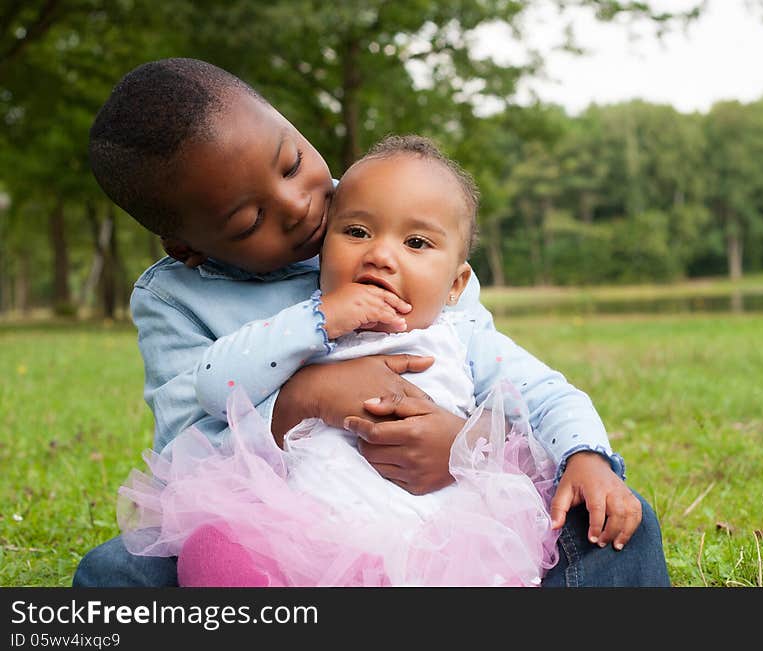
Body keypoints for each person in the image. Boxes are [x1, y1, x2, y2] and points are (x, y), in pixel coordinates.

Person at [75, 57, 670, 587]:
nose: (300, 206)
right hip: (283, 523)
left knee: (615, 522)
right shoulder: (177, 299)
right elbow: (186, 455)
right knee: (115, 574)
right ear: (189, 248)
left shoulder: (389, 210)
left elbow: (510, 388)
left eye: (292, 163)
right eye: (250, 218)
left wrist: (466, 448)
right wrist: (306, 397)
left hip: (440, 510)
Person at [119, 134, 565, 586]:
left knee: (599, 522)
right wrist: (319, 323)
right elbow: (213, 389)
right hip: (306, 528)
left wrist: (574, 453)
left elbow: (543, 399)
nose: (381, 254)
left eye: (415, 242)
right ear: (324, 251)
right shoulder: (307, 329)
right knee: (191, 555)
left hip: (433, 535)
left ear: (457, 284)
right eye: (355, 233)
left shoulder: (458, 334)